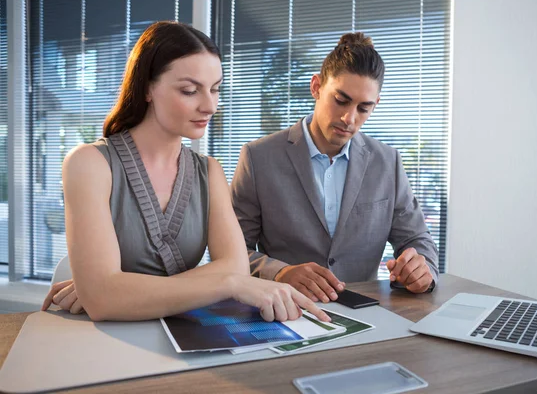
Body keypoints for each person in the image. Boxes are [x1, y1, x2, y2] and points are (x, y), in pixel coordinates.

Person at [41, 21, 329, 323]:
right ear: (148, 87)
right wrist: (225, 284)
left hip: (185, 334)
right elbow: (103, 302)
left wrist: (117, 291)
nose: (210, 106)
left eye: (215, 89)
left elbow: (236, 266)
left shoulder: (209, 171)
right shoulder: (88, 164)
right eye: (190, 90)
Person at [231, 32, 439, 304]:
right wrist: (279, 272)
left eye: (363, 108)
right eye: (340, 100)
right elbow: (231, 254)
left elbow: (417, 238)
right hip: (286, 310)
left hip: (366, 314)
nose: (349, 119)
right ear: (316, 87)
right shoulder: (258, 157)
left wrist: (423, 270)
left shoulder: (388, 162)